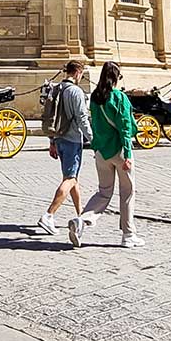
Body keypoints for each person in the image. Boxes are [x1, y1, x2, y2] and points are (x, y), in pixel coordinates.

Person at [69, 61, 142, 248]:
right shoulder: (119, 97)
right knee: (127, 192)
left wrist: (96, 147)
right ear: (116, 77)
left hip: (101, 152)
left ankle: (82, 220)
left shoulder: (95, 97)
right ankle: (128, 234)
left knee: (103, 192)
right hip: (118, 150)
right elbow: (125, 126)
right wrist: (127, 153)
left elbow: (94, 124)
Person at [38, 60, 92, 236]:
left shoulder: (56, 88)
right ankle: (48, 215)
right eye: (81, 74)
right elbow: (82, 118)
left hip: (59, 138)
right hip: (72, 140)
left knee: (72, 178)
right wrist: (93, 139)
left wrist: (52, 141)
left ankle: (81, 214)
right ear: (77, 73)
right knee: (69, 178)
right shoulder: (76, 92)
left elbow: (50, 116)